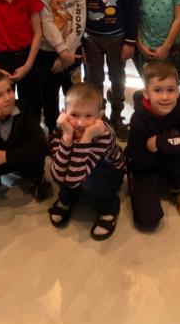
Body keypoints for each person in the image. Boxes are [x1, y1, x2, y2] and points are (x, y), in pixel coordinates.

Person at [76, 0, 139, 135]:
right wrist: (79, 43)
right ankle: (96, 117)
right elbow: (79, 11)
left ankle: (117, 115)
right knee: (93, 80)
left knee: (117, 78)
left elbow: (132, 8)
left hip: (117, 37)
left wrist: (130, 41)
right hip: (91, 37)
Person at [125, 60, 180, 230]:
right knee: (148, 221)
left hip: (172, 159)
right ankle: (148, 187)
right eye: (157, 90)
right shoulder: (138, 119)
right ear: (146, 93)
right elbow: (135, 161)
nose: (165, 97)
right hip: (147, 167)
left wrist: (161, 142)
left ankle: (177, 187)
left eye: (170, 90)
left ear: (178, 91)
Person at [48, 83, 125, 240]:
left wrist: (87, 137)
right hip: (78, 171)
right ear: (64, 113)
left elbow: (75, 178)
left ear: (100, 116)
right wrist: (67, 137)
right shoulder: (61, 129)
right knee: (64, 163)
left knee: (88, 177)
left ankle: (109, 207)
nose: (80, 123)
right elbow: (57, 176)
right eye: (74, 115)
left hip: (109, 172)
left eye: (88, 116)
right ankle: (67, 198)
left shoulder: (104, 135)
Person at [0, 70, 51, 211]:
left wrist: (6, 156)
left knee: (36, 149)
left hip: (20, 157)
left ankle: (36, 180)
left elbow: (41, 146)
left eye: (9, 90)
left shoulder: (23, 108)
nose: (8, 98)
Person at [34, 0, 85, 132]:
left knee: (74, 93)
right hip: (48, 53)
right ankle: (53, 131)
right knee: (50, 95)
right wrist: (62, 52)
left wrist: (67, 53)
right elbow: (46, 23)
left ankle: (76, 128)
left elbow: (79, 21)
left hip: (73, 51)